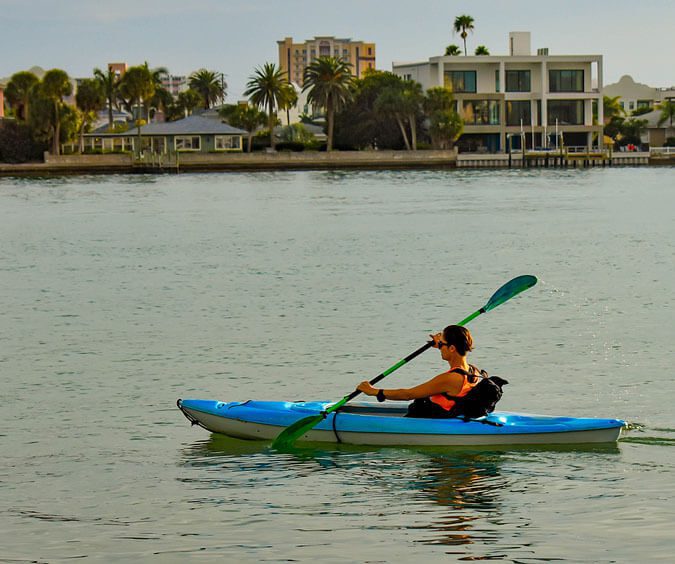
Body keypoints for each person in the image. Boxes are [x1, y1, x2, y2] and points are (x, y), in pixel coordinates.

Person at [356, 325, 488, 418]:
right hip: (451, 415)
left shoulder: (450, 379)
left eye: (442, 344)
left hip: (436, 421)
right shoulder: (473, 371)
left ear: (452, 348)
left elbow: (408, 394)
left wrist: (374, 391)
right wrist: (440, 345)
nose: (439, 347)